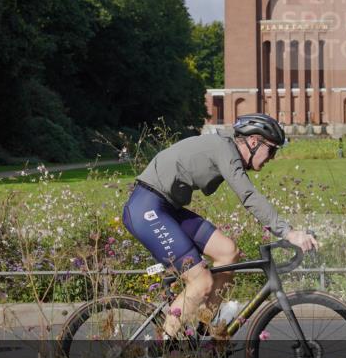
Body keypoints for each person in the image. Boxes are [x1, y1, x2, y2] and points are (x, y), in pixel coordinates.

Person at [122, 113, 318, 340]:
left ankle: (204, 332)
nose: (272, 158)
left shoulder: (225, 150)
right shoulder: (225, 150)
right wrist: (289, 232)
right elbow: (248, 196)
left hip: (167, 208)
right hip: (147, 208)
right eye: (272, 150)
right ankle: (160, 353)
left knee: (228, 252)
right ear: (254, 142)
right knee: (201, 281)